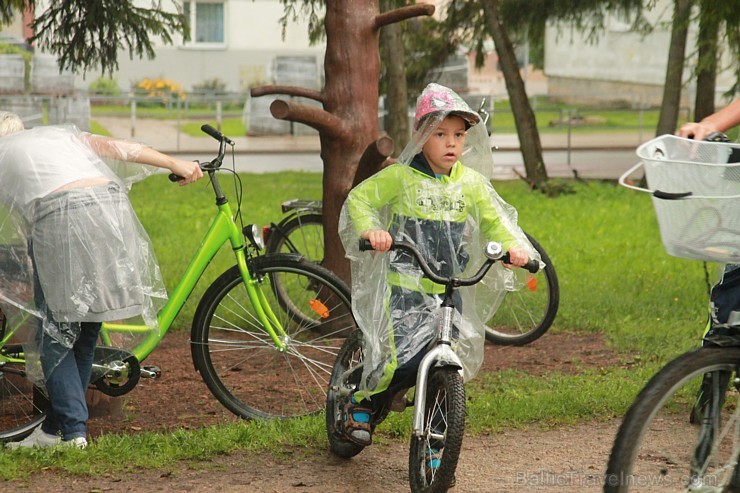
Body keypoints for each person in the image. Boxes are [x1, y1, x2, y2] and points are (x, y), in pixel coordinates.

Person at [337, 83, 536, 455]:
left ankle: (437, 437)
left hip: (449, 289)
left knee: (449, 360)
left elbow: (498, 222)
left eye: (459, 135)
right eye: (440, 134)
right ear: (420, 136)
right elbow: (360, 199)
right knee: (399, 358)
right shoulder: (401, 177)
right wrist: (372, 230)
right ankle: (361, 402)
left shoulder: (470, 184)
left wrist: (516, 248)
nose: (451, 144)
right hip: (404, 288)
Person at [0, 112, 203, 449]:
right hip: (110, 208)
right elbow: (117, 148)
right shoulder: (55, 137)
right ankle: (54, 429)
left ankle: (74, 434)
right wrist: (174, 162)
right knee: (86, 325)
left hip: (63, 216)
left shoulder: (3, 153)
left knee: (57, 333)